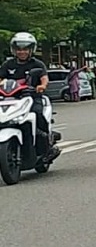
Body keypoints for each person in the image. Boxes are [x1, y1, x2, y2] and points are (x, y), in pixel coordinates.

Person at [0, 32, 59, 160]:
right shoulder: (8, 65)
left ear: (31, 50)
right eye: (19, 49)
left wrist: (42, 86)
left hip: (32, 97)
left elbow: (44, 78)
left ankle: (46, 146)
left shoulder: (37, 64)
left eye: (25, 49)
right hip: (10, 98)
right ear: (14, 50)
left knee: (37, 114)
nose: (22, 52)